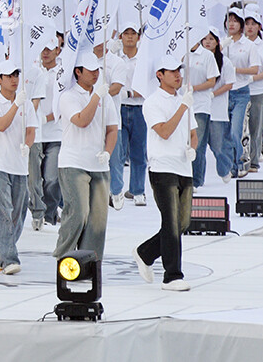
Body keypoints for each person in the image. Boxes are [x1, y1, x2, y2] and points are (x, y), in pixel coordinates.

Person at [133, 56, 197, 291]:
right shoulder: (152, 102)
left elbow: (193, 132)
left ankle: (145, 252)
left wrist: (193, 148)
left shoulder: (184, 99)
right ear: (159, 74)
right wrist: (183, 106)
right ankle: (172, 275)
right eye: (171, 72)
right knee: (170, 223)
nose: (178, 75)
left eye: (178, 71)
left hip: (183, 166)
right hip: (162, 167)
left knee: (182, 223)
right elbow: (165, 132)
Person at [52, 53, 118, 259]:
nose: (95, 74)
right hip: (74, 163)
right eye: (90, 71)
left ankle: (90, 261)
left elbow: (112, 129)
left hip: (98, 164)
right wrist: (96, 97)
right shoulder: (68, 96)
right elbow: (81, 120)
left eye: (97, 70)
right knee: (78, 214)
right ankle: (63, 256)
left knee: (97, 220)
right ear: (78, 72)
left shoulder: (104, 97)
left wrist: (107, 152)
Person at [0, 60, 38, 275]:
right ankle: (9, 259)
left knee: (17, 214)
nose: (14, 79)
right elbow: (1, 125)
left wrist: (27, 145)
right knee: (3, 211)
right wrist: (16, 105)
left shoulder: (26, 105)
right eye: (9, 76)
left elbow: (31, 130)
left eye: (16, 74)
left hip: (19, 165)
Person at [108, 22, 146, 207]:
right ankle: (116, 189)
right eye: (126, 33)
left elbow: (148, 85)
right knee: (119, 151)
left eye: (133, 33)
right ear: (120, 36)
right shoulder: (115, 58)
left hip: (139, 106)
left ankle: (138, 190)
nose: (130, 36)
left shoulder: (143, 59)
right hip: (120, 107)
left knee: (139, 151)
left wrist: (130, 93)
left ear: (138, 37)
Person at [28, 36, 62, 231]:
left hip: (56, 132)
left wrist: (47, 118)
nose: (46, 52)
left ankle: (49, 213)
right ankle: (38, 209)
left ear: (57, 50)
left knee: (51, 178)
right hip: (36, 132)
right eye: (43, 49)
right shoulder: (32, 71)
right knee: (34, 178)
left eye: (50, 49)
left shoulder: (63, 74)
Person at [193, 28, 234, 186]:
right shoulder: (198, 58)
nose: (208, 42)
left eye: (211, 39)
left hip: (216, 109)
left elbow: (229, 84)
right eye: (205, 39)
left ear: (217, 41)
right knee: (199, 145)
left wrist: (213, 94)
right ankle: (197, 180)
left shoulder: (225, 62)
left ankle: (225, 169)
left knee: (217, 146)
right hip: (201, 107)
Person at [222, 8, 259, 176]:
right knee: (225, 131)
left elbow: (254, 69)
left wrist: (235, 69)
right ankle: (229, 164)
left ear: (241, 25)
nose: (231, 24)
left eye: (235, 21)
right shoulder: (222, 44)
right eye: (229, 20)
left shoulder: (249, 45)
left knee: (236, 130)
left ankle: (239, 163)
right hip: (224, 92)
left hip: (241, 92)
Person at [243, 6, 263, 169]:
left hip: (258, 91)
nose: (250, 27)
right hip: (241, 91)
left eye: (253, 24)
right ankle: (241, 159)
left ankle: (253, 160)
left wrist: (252, 78)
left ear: (259, 26)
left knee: (256, 127)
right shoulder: (240, 44)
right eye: (247, 23)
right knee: (241, 128)